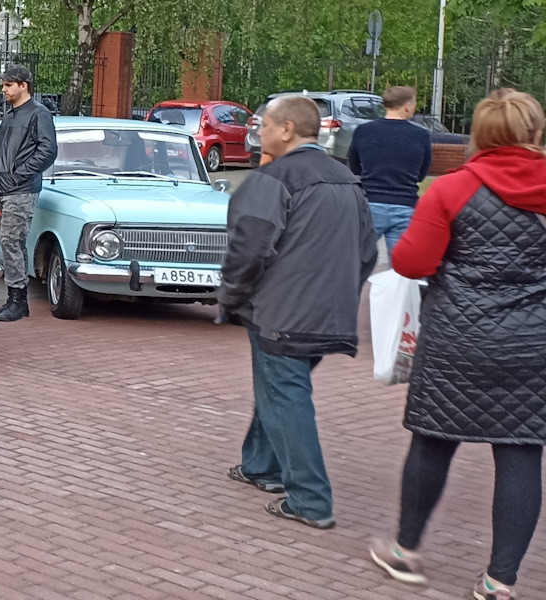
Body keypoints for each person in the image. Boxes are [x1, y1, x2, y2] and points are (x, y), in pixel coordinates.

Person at [368, 90, 546, 600]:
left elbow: (411, 262)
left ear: (481, 135)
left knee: (432, 441)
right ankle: (499, 580)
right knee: (521, 452)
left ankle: (405, 552)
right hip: (532, 344)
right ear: (535, 132)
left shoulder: (453, 188)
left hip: (456, 341)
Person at [219, 96, 377, 530]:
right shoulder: (347, 179)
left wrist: (230, 297)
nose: (259, 132)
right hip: (329, 310)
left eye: (265, 125)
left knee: (286, 396)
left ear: (286, 129)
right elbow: (366, 252)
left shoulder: (273, 179)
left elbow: (248, 250)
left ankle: (310, 499)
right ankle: (261, 466)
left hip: (282, 311)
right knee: (280, 388)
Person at [0, 65, 56, 322]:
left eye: (8, 85)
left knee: (12, 241)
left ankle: (18, 300)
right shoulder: (12, 115)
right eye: (3, 84)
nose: (3, 89)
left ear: (24, 85)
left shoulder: (39, 114)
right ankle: (15, 299)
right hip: (3, 188)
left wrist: (19, 174)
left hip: (20, 190)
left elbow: (48, 151)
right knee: (9, 242)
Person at [348, 85, 431, 251]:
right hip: (405, 203)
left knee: (358, 258)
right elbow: (422, 173)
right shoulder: (421, 135)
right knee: (401, 263)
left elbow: (354, 167)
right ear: (407, 105)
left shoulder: (363, 131)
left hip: (371, 202)